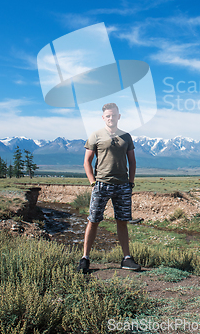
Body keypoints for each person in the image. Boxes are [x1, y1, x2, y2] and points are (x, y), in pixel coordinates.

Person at [77, 102, 141, 273]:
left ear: (119, 116)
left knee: (122, 221)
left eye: (114, 115)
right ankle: (85, 258)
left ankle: (126, 259)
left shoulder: (126, 137)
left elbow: (132, 161)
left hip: (122, 185)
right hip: (101, 184)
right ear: (103, 117)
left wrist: (131, 182)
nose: (111, 118)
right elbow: (87, 162)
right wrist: (93, 182)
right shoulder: (95, 135)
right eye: (108, 116)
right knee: (93, 220)